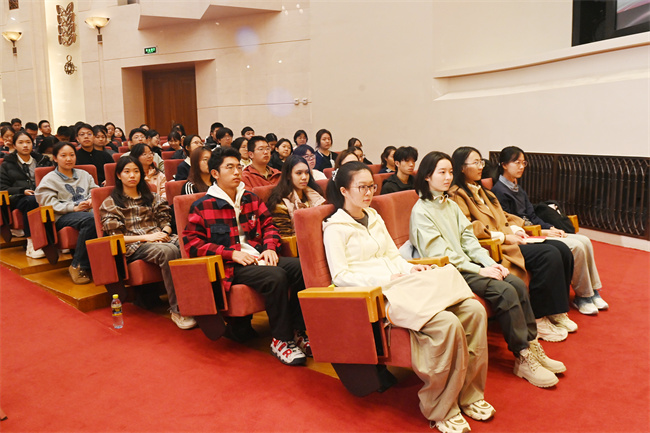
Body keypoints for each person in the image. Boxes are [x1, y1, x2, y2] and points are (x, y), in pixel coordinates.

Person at [322, 161, 492, 432]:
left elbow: (393, 256)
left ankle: (469, 394)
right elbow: (340, 276)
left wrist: (412, 268)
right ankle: (441, 408)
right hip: (380, 297)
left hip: (404, 284)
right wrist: (384, 280)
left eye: (371, 186)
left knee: (474, 311)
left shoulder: (373, 216)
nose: (368, 193)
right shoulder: (335, 228)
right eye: (362, 187)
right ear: (344, 190)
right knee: (446, 323)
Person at [410, 151, 565, 388]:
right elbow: (441, 254)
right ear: (427, 176)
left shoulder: (449, 204)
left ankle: (532, 345)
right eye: (441, 172)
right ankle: (522, 356)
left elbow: (469, 240)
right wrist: (479, 270)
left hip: (468, 266)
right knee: (505, 291)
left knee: (515, 281)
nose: (448, 177)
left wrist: (489, 262)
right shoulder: (421, 211)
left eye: (450, 172)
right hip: (449, 272)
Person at [182, 146, 310, 365]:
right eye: (229, 167)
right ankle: (281, 340)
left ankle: (298, 330)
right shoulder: (202, 206)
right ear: (215, 173)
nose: (236, 172)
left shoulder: (250, 197)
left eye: (238, 167)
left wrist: (270, 247)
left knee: (300, 267)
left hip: (258, 256)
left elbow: (269, 225)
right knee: (276, 276)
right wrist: (230, 254)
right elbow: (193, 243)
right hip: (231, 266)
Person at [448, 146, 577, 342]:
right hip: (494, 246)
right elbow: (469, 228)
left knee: (562, 249)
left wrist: (518, 228)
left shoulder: (483, 190)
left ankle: (556, 311)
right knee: (548, 255)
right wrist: (504, 236)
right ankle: (538, 318)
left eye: (481, 162)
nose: (481, 166)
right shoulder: (457, 194)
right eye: (475, 163)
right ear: (461, 167)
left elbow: (505, 215)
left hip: (509, 238)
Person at [492, 146, 608, 315]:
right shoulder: (498, 191)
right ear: (504, 164)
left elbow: (532, 215)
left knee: (584, 240)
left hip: (536, 230)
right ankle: (583, 296)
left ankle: (594, 291)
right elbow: (510, 223)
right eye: (516, 162)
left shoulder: (517, 188)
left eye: (523, 162)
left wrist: (550, 227)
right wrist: (542, 232)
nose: (521, 166)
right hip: (526, 234)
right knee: (576, 247)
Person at [100, 156, 195, 330]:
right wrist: (147, 238)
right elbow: (115, 237)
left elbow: (166, 219)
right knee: (168, 251)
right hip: (134, 245)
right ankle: (178, 310)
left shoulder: (152, 197)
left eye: (136, 171)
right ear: (119, 175)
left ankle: (200, 303)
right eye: (127, 172)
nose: (132, 175)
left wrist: (164, 232)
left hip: (158, 237)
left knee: (189, 244)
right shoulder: (111, 203)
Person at [35, 142, 98, 284]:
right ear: (55, 158)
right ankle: (77, 265)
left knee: (102, 217)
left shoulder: (84, 174)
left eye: (72, 155)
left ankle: (102, 263)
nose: (68, 159)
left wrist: (90, 200)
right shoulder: (49, 179)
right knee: (91, 220)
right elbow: (48, 203)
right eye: (63, 156)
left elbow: (95, 190)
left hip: (86, 211)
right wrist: (73, 208)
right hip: (62, 216)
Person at [0, 131, 53, 257]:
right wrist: (22, 191)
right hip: (18, 198)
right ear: (14, 145)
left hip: (42, 194)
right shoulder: (7, 164)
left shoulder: (42, 161)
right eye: (21, 142)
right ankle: (31, 244)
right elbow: (2, 187)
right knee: (31, 201)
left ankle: (55, 242)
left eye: (28, 142)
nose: (25, 145)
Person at [267, 155, 325, 237]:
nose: (304, 177)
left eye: (307, 172)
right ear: (288, 175)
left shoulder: (316, 196)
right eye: (299, 173)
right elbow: (286, 238)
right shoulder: (281, 204)